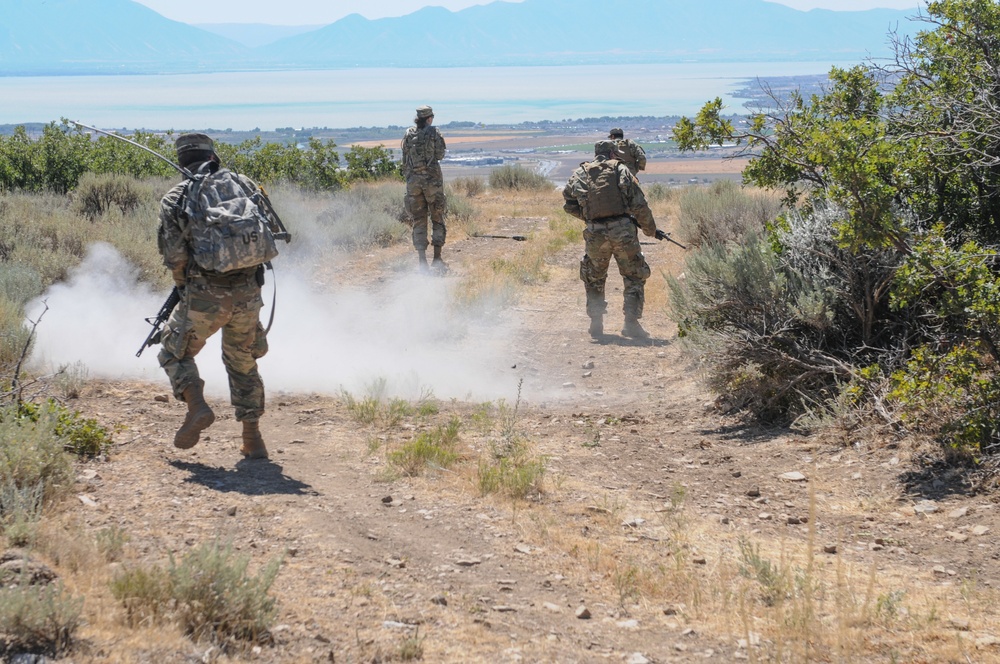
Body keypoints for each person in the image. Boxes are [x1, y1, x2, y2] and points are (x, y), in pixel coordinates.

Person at [156, 133, 271, 460]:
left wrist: (184, 290)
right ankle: (253, 438)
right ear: (213, 155)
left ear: (181, 163)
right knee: (242, 361)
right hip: (249, 291)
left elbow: (175, 258)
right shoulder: (245, 185)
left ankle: (197, 407)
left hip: (205, 294)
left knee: (172, 351)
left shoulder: (176, 197)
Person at [562, 140, 658, 340]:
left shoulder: (581, 173)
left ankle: (596, 321)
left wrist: (589, 217)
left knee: (594, 277)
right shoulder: (621, 170)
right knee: (634, 275)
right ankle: (631, 324)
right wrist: (650, 230)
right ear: (613, 154)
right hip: (623, 232)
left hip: (595, 234)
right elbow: (639, 204)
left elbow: (569, 204)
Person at [401, 105, 448, 270]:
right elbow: (440, 155)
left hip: (413, 183)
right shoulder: (434, 133)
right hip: (432, 182)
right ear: (429, 118)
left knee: (419, 220)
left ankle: (422, 262)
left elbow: (405, 160)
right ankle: (437, 259)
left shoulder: (408, 134)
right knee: (437, 218)